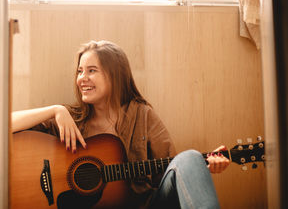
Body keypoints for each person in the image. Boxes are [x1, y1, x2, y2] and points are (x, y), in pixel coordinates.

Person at [12, 40, 230, 209]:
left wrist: (200, 167)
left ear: (115, 76)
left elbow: (169, 171)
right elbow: (1, 126)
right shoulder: (69, 119)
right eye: (80, 71)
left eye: (92, 70)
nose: (82, 79)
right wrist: (55, 110)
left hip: (144, 206)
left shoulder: (142, 115)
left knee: (190, 157)